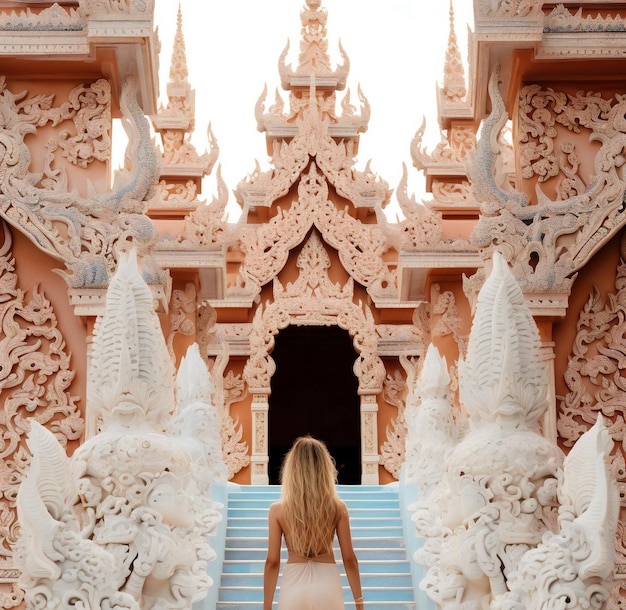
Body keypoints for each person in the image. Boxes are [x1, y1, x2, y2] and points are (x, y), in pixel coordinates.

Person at [263, 436, 364, 609]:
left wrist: (267, 606)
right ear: (324, 468)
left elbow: (272, 562)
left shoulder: (277, 510)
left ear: (292, 469)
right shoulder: (337, 508)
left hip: (293, 583)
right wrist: (359, 603)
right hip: (328, 582)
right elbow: (349, 559)